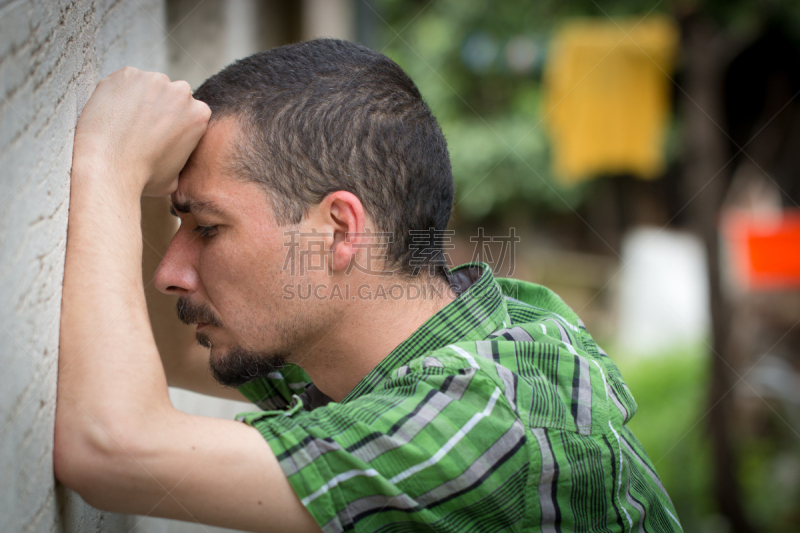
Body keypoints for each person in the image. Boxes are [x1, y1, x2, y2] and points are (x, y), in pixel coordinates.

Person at [55, 39, 681, 532]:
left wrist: (109, 161)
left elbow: (111, 449)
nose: (170, 272)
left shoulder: (483, 425)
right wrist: (152, 187)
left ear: (336, 231)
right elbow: (162, 351)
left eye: (209, 229)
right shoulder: (427, 328)